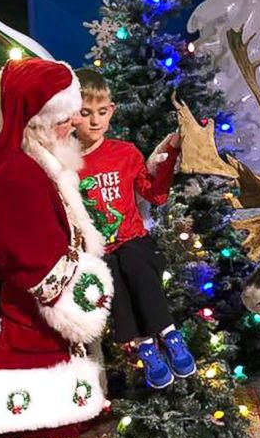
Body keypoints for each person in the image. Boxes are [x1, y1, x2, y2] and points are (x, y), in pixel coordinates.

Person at [0, 58, 113, 438]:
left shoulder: (2, 149)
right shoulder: (16, 175)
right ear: (35, 120)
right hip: (28, 338)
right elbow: (41, 272)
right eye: (64, 118)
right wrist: (89, 302)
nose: (74, 125)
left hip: (7, 326)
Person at [73, 68, 196, 390]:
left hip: (134, 241)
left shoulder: (124, 153)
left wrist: (170, 158)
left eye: (102, 112)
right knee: (111, 274)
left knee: (133, 261)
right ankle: (145, 346)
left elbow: (155, 194)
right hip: (99, 250)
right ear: (71, 115)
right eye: (86, 114)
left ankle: (170, 335)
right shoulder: (65, 162)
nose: (96, 121)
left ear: (111, 109)